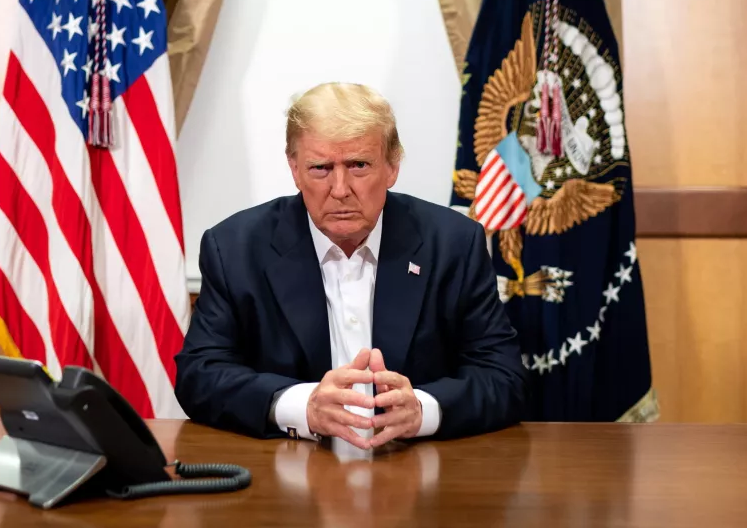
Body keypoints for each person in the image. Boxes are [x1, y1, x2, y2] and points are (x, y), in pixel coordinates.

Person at [175, 83, 526, 448]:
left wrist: (422, 409)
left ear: (392, 166)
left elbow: (503, 378)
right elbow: (200, 376)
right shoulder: (235, 248)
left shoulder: (453, 244)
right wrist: (302, 406)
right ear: (294, 169)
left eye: (358, 165)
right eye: (320, 168)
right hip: (290, 478)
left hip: (415, 474)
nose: (340, 189)